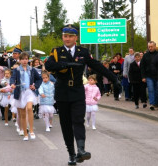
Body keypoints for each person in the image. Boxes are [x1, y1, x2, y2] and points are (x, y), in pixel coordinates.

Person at [45, 24, 120, 165]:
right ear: (62, 37)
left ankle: (81, 150)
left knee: (78, 120)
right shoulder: (56, 51)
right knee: (66, 124)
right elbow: (49, 66)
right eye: (65, 36)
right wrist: (67, 65)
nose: (67, 39)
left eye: (70, 36)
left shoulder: (83, 52)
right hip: (62, 92)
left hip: (78, 91)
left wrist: (113, 78)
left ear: (76, 38)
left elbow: (97, 65)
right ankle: (71, 154)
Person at [10, 52, 42, 141]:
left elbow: (39, 79)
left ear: (28, 60)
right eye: (23, 59)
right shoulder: (16, 70)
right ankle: (25, 133)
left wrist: (35, 86)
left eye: (26, 59)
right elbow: (12, 78)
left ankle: (31, 130)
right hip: (20, 93)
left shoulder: (32, 69)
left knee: (29, 108)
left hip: (29, 92)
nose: (24, 61)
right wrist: (12, 84)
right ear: (19, 60)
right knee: (22, 114)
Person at [141, 41, 158, 110]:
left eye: (151, 46)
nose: (150, 48)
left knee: (157, 90)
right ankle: (152, 103)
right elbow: (142, 66)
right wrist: (143, 76)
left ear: (155, 46)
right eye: (149, 47)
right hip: (148, 76)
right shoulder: (145, 55)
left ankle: (156, 103)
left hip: (157, 76)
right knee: (150, 89)